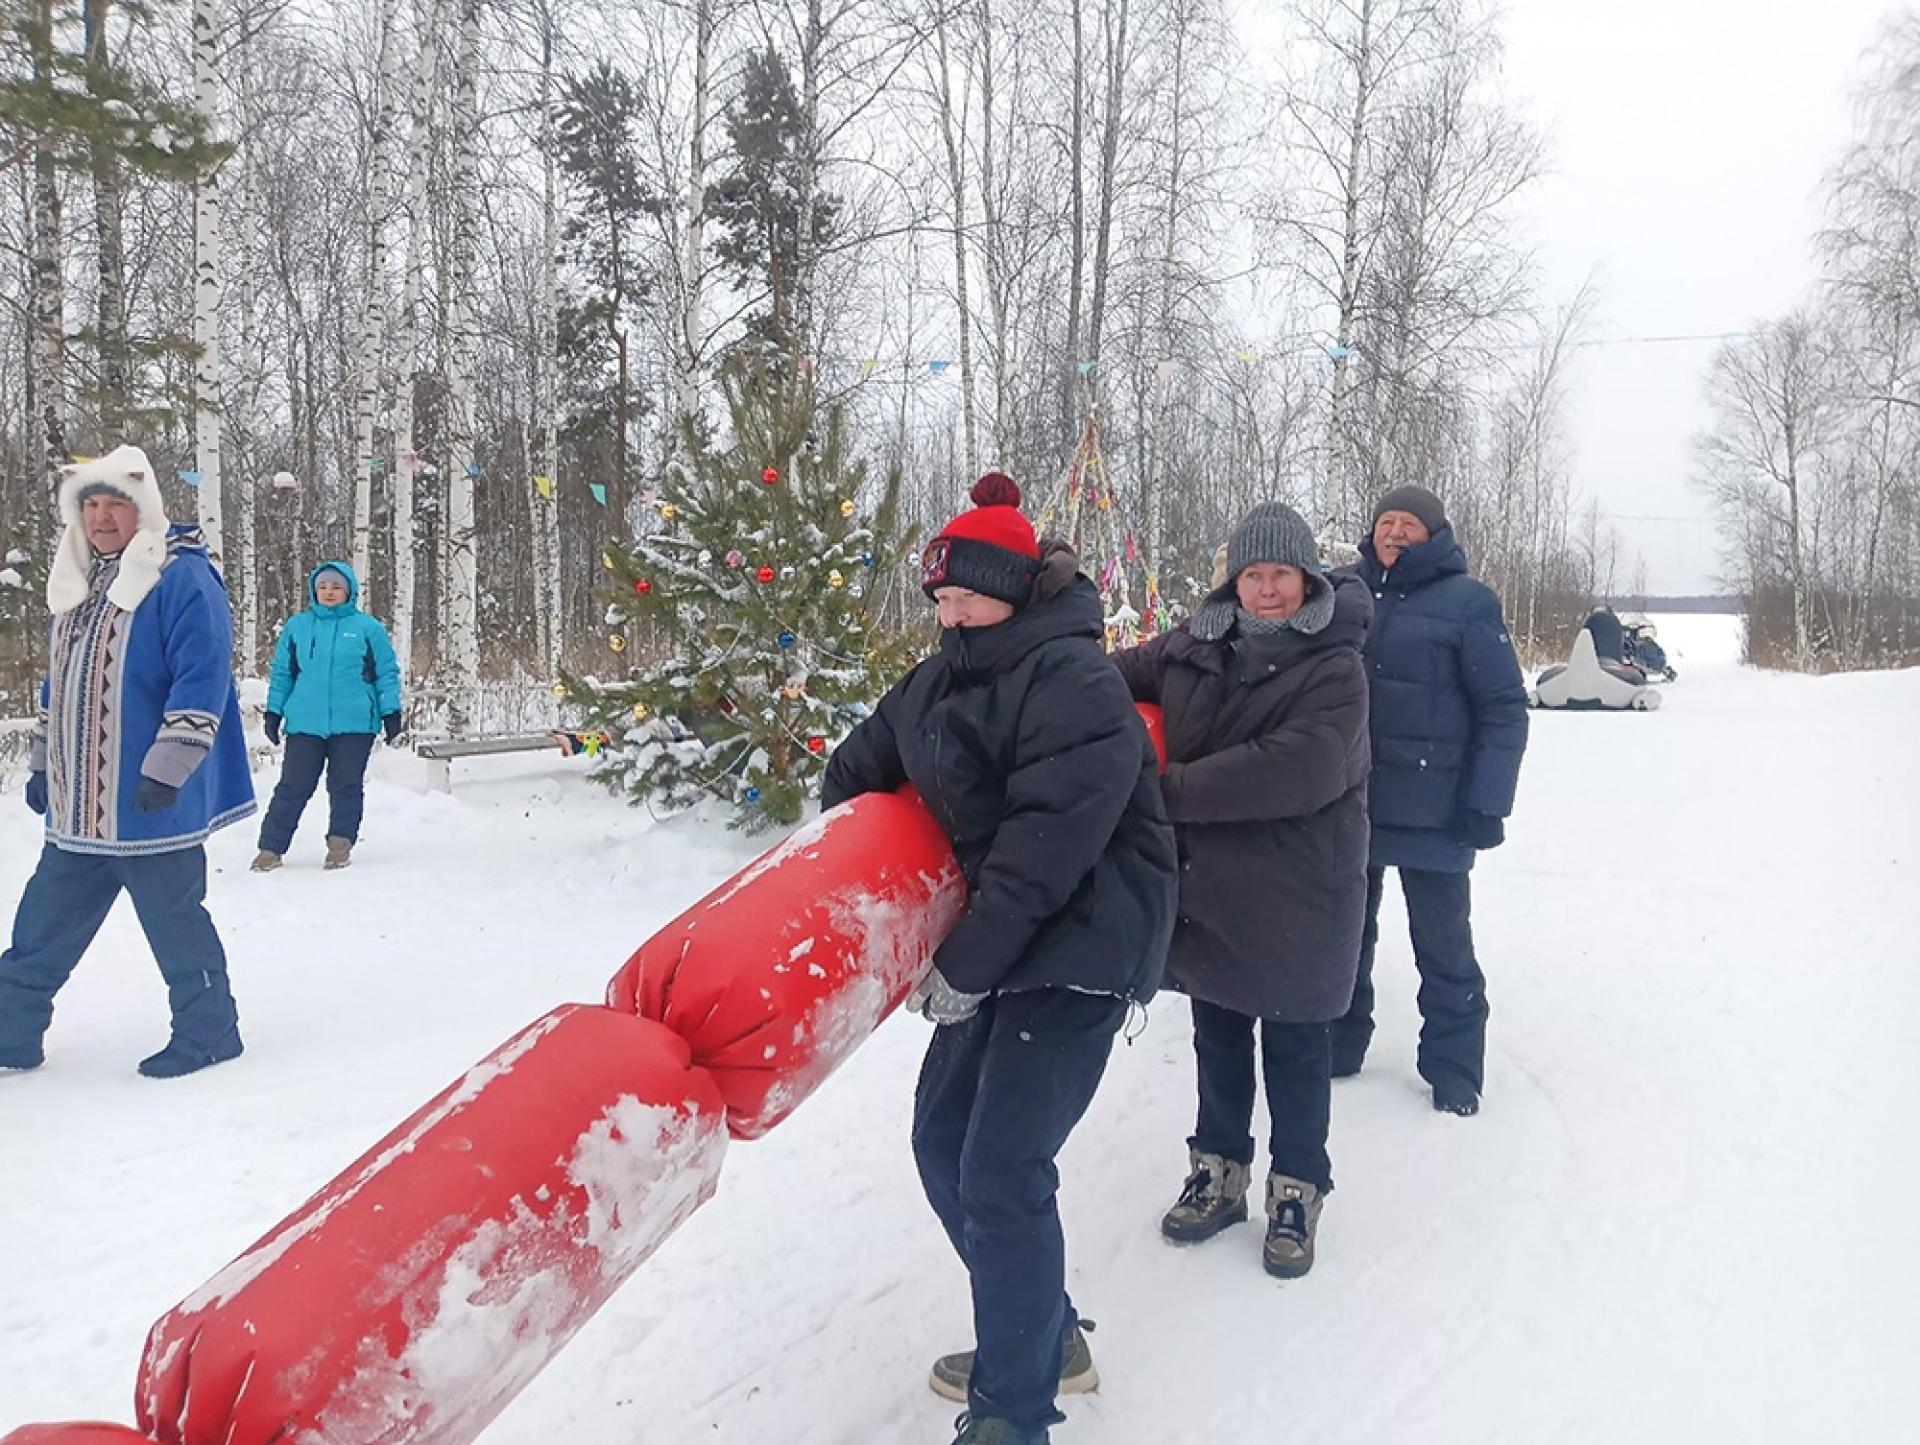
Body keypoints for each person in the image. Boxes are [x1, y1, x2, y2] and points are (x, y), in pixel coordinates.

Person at [822, 473, 1177, 1445]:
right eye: (939, 596)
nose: (951, 609)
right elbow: (858, 764)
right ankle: (1044, 1331)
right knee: (943, 1142)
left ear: (1015, 587)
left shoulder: (1075, 679)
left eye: (966, 593)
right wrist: (847, 865)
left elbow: (1047, 843)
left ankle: (1015, 1410)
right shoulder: (940, 677)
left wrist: (966, 963)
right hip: (999, 937)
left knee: (1000, 1165)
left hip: (1085, 937)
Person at [1112, 502, 1371, 1278]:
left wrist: (1161, 790)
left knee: (1294, 1046)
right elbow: (1111, 673)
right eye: (1253, 574)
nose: (1266, 590)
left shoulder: (1335, 664)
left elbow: (1295, 766)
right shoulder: (1193, 644)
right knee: (1217, 1038)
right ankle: (1217, 1172)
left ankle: (1297, 1189)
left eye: (1281, 575)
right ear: (1235, 579)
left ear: (1306, 579)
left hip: (1302, 890)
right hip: (1213, 890)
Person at [0, 445, 254, 1079]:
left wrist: (167, 769)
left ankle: (210, 1031)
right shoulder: (81, 577)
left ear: (145, 508)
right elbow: (59, 684)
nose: (103, 517)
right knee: (40, 928)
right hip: (81, 801)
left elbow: (202, 675)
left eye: (118, 504)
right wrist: (42, 764)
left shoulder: (181, 576)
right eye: (92, 504)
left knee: (174, 925)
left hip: (148, 801)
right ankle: (10, 1036)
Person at [1330, 485, 1529, 1115]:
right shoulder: (1342, 592)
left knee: (1443, 946)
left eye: (1407, 525)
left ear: (1433, 535)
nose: (1393, 533)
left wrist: (1487, 802)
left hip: (1436, 809)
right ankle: (1338, 1044)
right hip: (1350, 800)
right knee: (1342, 936)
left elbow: (1503, 708)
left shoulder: (1469, 604)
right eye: (1384, 520)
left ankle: (1454, 1068)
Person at [254, 560, 403, 872]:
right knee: (293, 786)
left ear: (349, 591)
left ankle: (340, 843)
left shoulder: (368, 629)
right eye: (323, 586)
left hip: (355, 722)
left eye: (336, 586)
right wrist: (274, 712)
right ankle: (271, 848)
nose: (329, 592)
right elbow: (283, 674)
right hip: (305, 721)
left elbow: (386, 674)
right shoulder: (297, 627)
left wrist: (391, 712)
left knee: (345, 784)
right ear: (314, 590)